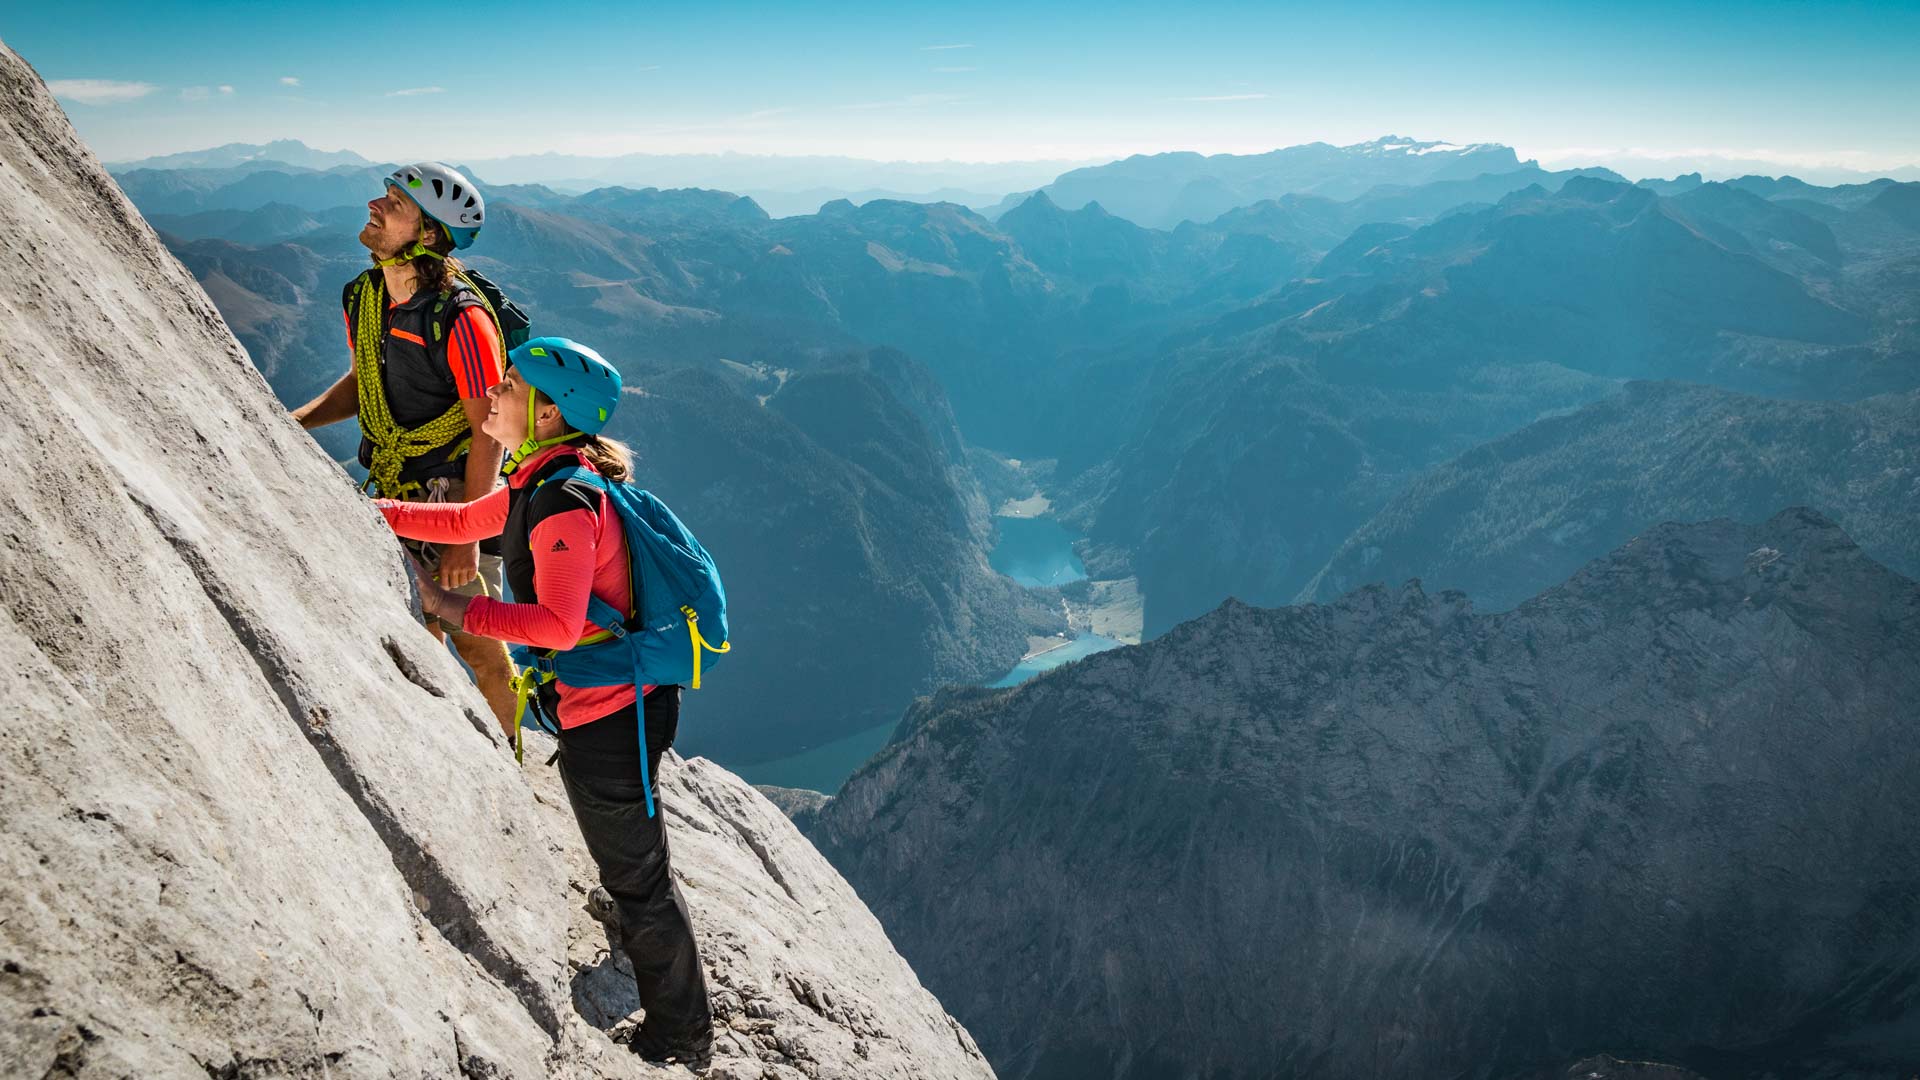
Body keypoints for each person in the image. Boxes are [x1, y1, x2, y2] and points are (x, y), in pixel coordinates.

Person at [373, 337, 715, 1069]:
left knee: (638, 878)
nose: (491, 396)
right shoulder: (547, 478)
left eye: (508, 388)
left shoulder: (563, 498)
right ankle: (644, 949)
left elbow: (557, 626)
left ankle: (681, 1036)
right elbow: (467, 522)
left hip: (613, 713)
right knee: (631, 859)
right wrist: (378, 512)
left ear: (549, 413)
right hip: (618, 700)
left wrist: (449, 605)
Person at [292, 162, 517, 732]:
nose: (375, 204)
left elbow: (487, 427)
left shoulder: (462, 318)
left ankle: (511, 758)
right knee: (419, 636)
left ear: (429, 233)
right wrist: (291, 423)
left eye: (394, 202)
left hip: (458, 497)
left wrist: (466, 534)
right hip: (395, 493)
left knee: (480, 649)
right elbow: (363, 381)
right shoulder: (365, 295)